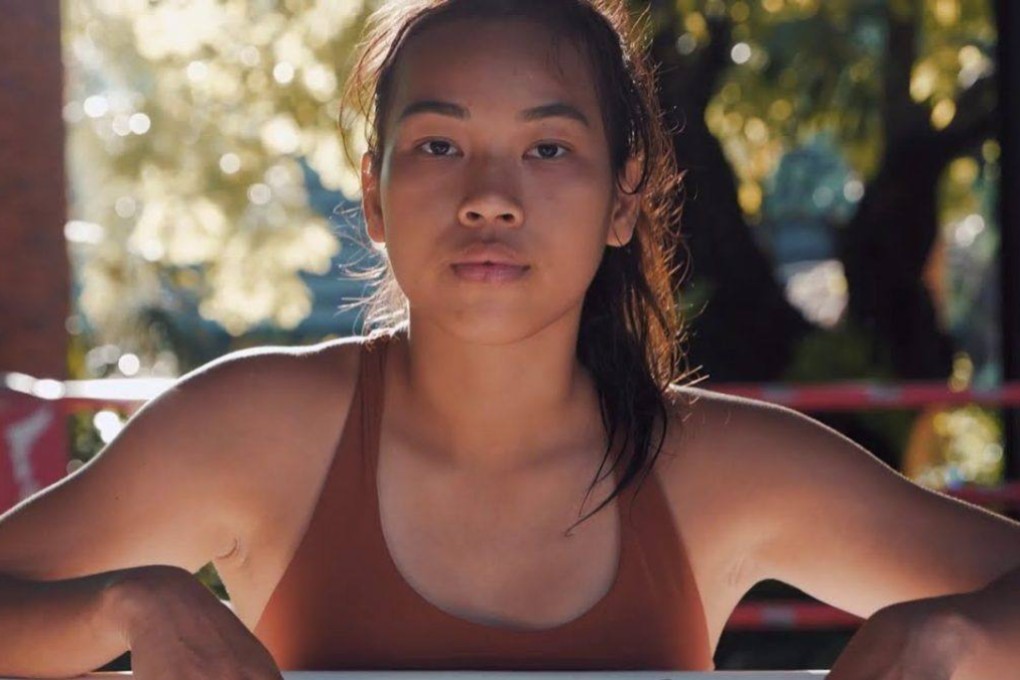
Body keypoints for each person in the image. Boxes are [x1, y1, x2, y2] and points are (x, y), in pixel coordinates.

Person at [2, 0, 1020, 678]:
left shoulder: (716, 466)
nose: (490, 198)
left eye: (548, 147)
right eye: (439, 145)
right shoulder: (255, 429)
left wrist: (962, 627)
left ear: (626, 197)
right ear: (375, 195)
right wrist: (125, 604)